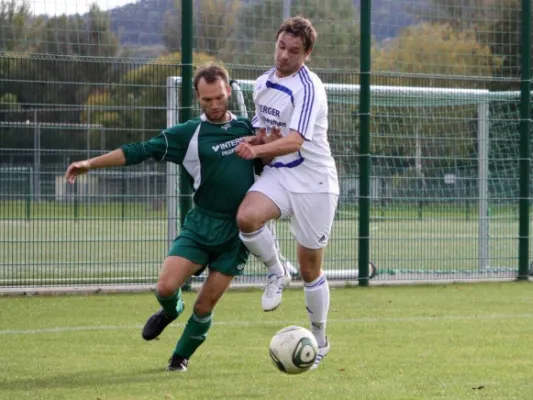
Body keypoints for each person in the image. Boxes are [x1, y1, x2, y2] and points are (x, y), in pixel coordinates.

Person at [65, 62, 282, 372]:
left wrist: (268, 147)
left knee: (205, 304)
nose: (215, 105)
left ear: (229, 92)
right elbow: (138, 150)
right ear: (197, 97)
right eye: (207, 100)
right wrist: (89, 163)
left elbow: (269, 165)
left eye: (219, 97)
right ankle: (170, 311)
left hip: (235, 233)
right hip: (200, 224)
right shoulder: (187, 133)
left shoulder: (249, 128)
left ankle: (179, 358)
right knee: (166, 288)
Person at [235, 16, 339, 370]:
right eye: (281, 46)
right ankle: (277, 270)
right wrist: (255, 139)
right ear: (275, 42)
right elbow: (268, 134)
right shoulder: (262, 82)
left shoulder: (310, 88)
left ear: (307, 53)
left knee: (311, 268)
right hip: (281, 173)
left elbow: (294, 140)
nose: (284, 56)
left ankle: (320, 338)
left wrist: (257, 151)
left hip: (314, 183)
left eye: (294, 51)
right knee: (246, 218)